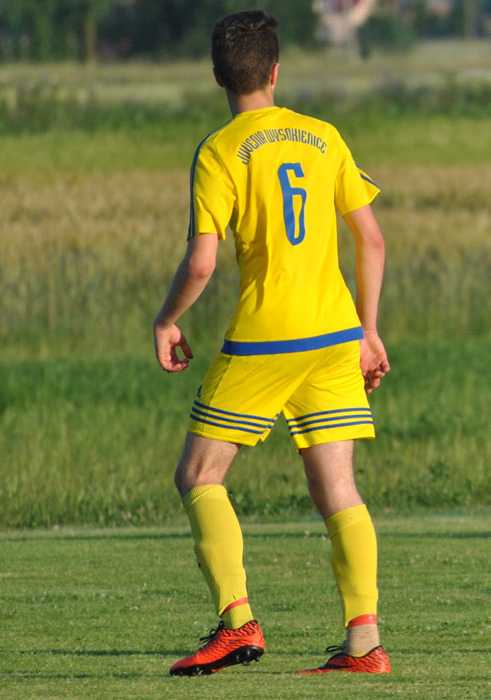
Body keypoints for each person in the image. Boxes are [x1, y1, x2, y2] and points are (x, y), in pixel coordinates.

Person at [152, 10, 392, 675]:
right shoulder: (323, 136)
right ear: (277, 70)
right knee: (339, 487)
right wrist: (369, 331)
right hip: (337, 333)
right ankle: (364, 643)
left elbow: (202, 263)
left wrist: (166, 320)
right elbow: (371, 240)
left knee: (199, 475)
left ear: (217, 76)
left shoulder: (221, 149)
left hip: (265, 341)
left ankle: (237, 623)